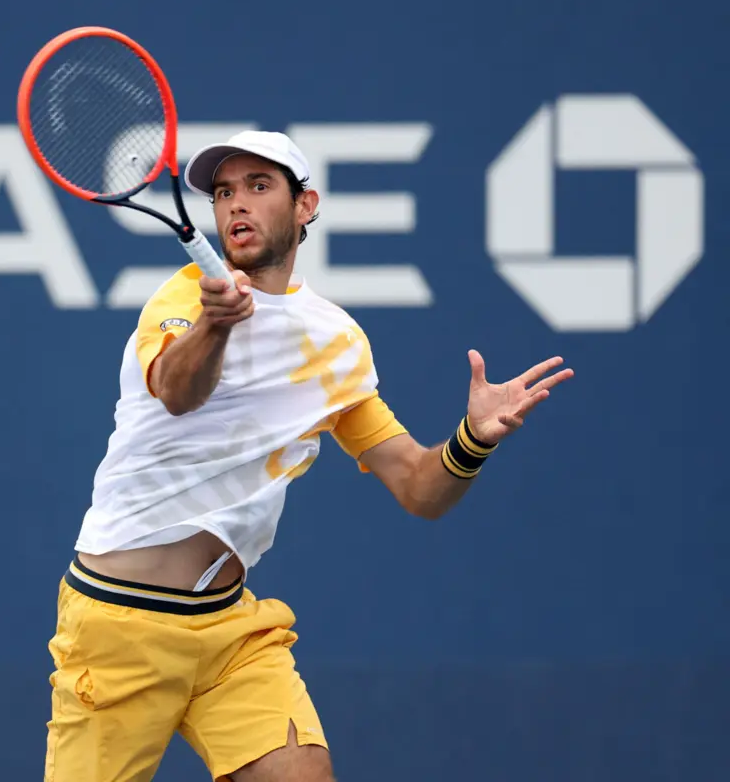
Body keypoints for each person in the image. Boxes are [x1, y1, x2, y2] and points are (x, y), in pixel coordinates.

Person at [43, 130, 573, 782]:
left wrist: (473, 438)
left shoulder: (335, 340)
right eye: (225, 192)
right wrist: (216, 324)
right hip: (120, 624)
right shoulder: (185, 300)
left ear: (306, 205)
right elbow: (178, 392)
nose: (236, 203)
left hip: (229, 628)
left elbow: (415, 483)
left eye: (259, 187)